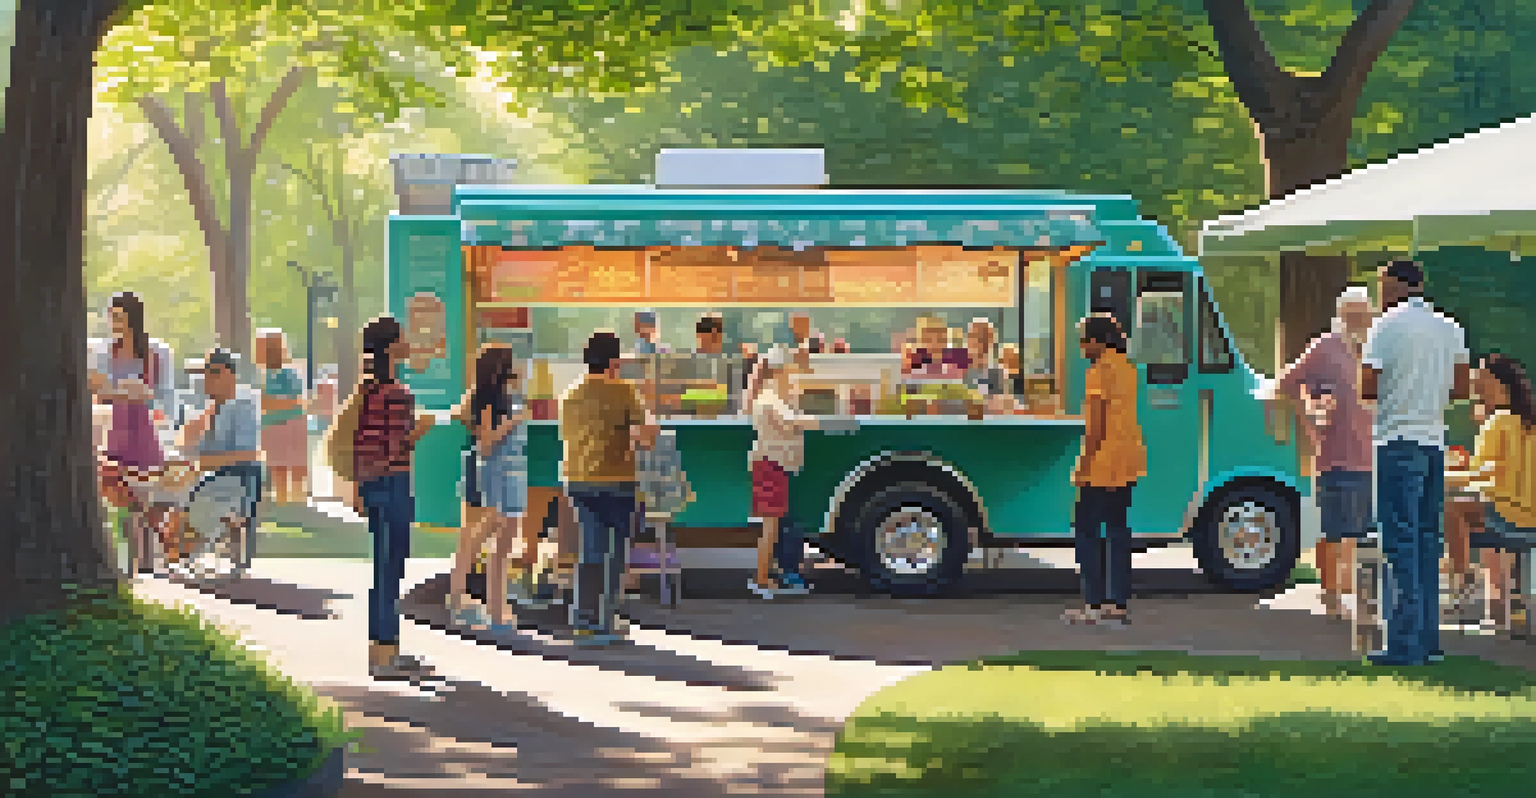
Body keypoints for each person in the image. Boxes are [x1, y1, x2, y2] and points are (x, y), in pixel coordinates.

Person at [1360, 259, 1471, 666]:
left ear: (1393, 286)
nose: (1378, 292)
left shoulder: (1385, 327)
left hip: (1395, 441)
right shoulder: (1450, 327)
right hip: (1433, 444)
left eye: (1380, 284)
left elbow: (1367, 387)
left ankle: (1403, 645)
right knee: (1427, 543)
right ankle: (1428, 642)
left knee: (1398, 543)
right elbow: (1460, 388)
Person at [1267, 286, 1377, 620]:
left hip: (1371, 456)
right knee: (1332, 529)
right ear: (1342, 316)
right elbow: (1285, 383)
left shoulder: (1374, 349)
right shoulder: (1326, 347)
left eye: (1365, 314)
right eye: (1353, 315)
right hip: (1334, 454)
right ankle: (1330, 595)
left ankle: (1360, 598)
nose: (1360, 320)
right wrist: (1310, 415)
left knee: (1363, 533)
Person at [351, 316, 436, 679]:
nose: (408, 343)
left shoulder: (365, 392)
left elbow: (361, 446)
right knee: (391, 568)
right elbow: (393, 447)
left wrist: (358, 486)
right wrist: (420, 431)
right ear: (390, 348)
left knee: (382, 568)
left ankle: (382, 649)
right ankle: (385, 656)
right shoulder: (398, 394)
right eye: (401, 339)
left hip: (371, 485)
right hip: (393, 484)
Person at [560, 331, 658, 643]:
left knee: (591, 549)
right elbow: (647, 437)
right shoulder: (624, 391)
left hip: (578, 479)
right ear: (615, 360)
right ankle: (607, 618)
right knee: (615, 551)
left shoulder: (570, 393)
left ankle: (584, 620)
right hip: (616, 479)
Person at [1063, 315, 1146, 627]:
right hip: (1129, 457)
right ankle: (1118, 604)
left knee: (1085, 530)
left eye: (1084, 340)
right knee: (1117, 530)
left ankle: (1093, 604)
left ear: (1097, 342)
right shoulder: (1127, 368)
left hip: (1102, 460)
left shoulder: (1098, 372)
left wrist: (1083, 464)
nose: (1082, 347)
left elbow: (1096, 427)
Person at [1449, 354, 1536, 628]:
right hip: (1527, 517)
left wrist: (1443, 475)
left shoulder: (1500, 421)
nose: (1475, 385)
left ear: (1498, 385)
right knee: (1472, 517)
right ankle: (1499, 611)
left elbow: (1488, 473)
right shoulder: (1526, 423)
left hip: (1507, 512)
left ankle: (1461, 581)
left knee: (1451, 510)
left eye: (1481, 380)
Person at [90, 292, 175, 567]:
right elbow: (97, 388)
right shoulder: (104, 352)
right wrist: (125, 392)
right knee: (117, 492)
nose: (113, 322)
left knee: (145, 495)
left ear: (132, 318)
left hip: (145, 429)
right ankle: (129, 557)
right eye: (111, 316)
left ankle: (149, 559)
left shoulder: (156, 352)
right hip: (114, 428)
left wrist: (135, 393)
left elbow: (162, 394)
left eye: (118, 316)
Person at [177, 349, 265, 570]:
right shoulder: (212, 408)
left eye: (212, 373)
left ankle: (191, 556)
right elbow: (186, 445)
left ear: (229, 375)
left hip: (241, 476)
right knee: (172, 495)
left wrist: (203, 464)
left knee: (193, 499)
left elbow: (249, 454)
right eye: (204, 374)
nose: (206, 380)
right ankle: (182, 558)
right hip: (217, 475)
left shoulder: (245, 404)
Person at [746, 346, 822, 597]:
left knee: (772, 524)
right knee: (770, 525)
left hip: (773, 463)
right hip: (772, 464)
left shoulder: (770, 396)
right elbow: (790, 422)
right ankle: (761, 579)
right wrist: (826, 421)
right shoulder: (769, 399)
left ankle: (765, 576)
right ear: (778, 371)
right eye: (788, 370)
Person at [255, 330, 308, 506]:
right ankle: (284, 506)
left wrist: (270, 402)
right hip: (272, 427)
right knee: (279, 470)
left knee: (295, 469)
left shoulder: (289, 373)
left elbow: (296, 401)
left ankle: (297, 507)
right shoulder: (262, 375)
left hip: (290, 426)